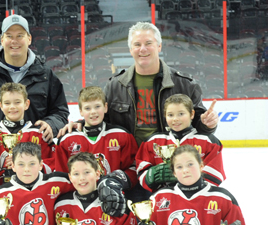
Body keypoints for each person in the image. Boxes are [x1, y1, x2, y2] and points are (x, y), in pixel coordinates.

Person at [60, 22, 219, 145]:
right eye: (137, 44)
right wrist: (81, 124)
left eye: (148, 43)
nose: (143, 49)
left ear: (159, 46)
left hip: (171, 158)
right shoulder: (115, 86)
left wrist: (207, 124)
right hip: (130, 160)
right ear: (130, 49)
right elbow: (103, 120)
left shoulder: (185, 85)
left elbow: (199, 125)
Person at [0, 15, 69, 143]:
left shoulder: (46, 75)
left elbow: (61, 112)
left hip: (34, 154)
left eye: (20, 35)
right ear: (2, 40)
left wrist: (52, 124)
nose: (14, 41)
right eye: (9, 36)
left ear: (29, 39)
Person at [135, 94, 225, 193]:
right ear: (164, 115)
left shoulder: (208, 141)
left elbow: (216, 175)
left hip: (197, 200)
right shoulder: (153, 141)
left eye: (181, 114)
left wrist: (187, 181)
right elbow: (141, 171)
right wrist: (151, 175)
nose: (175, 119)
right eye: (170, 115)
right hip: (163, 201)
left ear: (192, 114)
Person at [54, 86, 138, 184]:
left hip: (115, 195)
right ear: (80, 111)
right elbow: (61, 176)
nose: (93, 112)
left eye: (97, 106)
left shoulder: (121, 135)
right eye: (87, 108)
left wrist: (118, 182)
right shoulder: (67, 140)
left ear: (105, 107)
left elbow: (133, 168)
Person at [0, 82, 55, 192]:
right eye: (7, 103)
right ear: (0, 106)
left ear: (26, 104)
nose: (12, 107)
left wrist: (27, 162)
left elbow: (53, 164)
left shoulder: (39, 133)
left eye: (17, 102)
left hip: (32, 196)